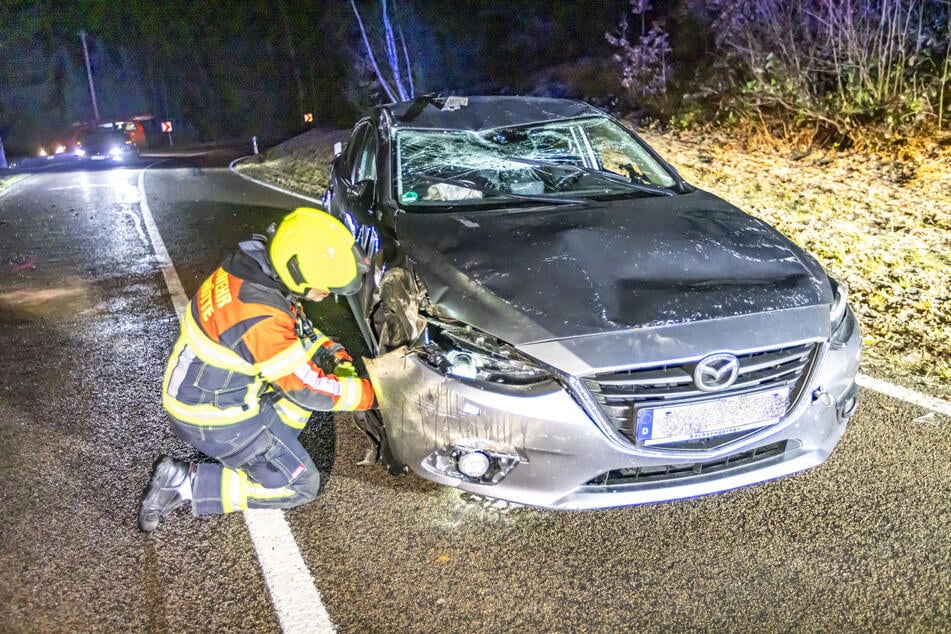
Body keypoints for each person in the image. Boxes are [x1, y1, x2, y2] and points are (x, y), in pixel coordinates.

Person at [139, 207, 376, 532]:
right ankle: (183, 483)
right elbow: (308, 388)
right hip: (213, 418)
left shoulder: (253, 272)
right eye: (325, 287)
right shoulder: (259, 315)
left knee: (303, 390)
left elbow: (292, 331)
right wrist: (373, 395)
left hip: (201, 390)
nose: (326, 294)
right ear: (296, 270)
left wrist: (328, 351)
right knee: (301, 484)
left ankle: (266, 448)